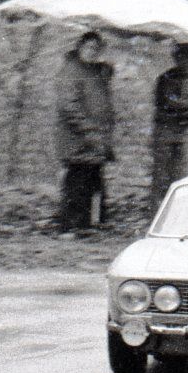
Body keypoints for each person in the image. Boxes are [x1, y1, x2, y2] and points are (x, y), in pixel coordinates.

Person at [54, 31, 115, 235]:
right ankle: (69, 226)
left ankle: (88, 224)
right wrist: (89, 130)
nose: (92, 52)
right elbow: (69, 106)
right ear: (80, 47)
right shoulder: (70, 70)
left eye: (96, 49)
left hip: (95, 136)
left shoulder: (95, 70)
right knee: (76, 180)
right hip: (77, 137)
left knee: (92, 179)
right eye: (89, 47)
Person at [151, 43, 188, 211]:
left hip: (182, 131)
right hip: (165, 131)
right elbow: (169, 103)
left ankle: (174, 211)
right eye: (184, 58)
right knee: (162, 175)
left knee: (178, 175)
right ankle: (157, 212)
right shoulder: (166, 78)